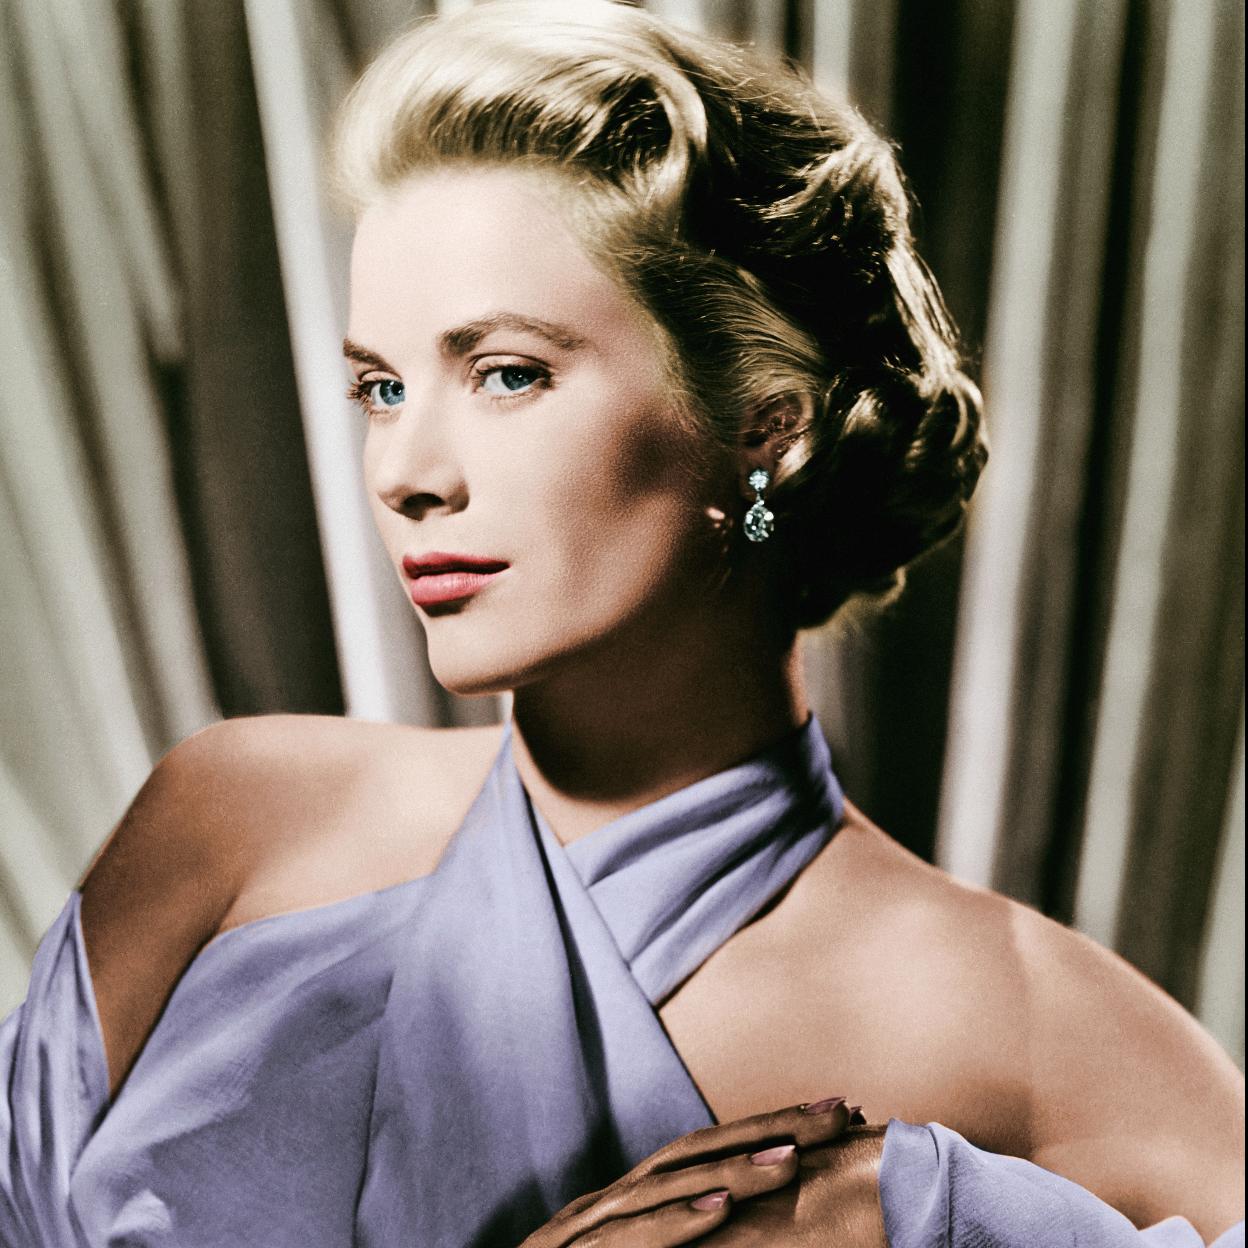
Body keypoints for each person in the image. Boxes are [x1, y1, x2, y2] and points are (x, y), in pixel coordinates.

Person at [1, 2, 1243, 1245]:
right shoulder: (239, 821)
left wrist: (943, 1218)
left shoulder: (1036, 1034)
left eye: (507, 374)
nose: (405, 472)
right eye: (381, 387)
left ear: (766, 425)